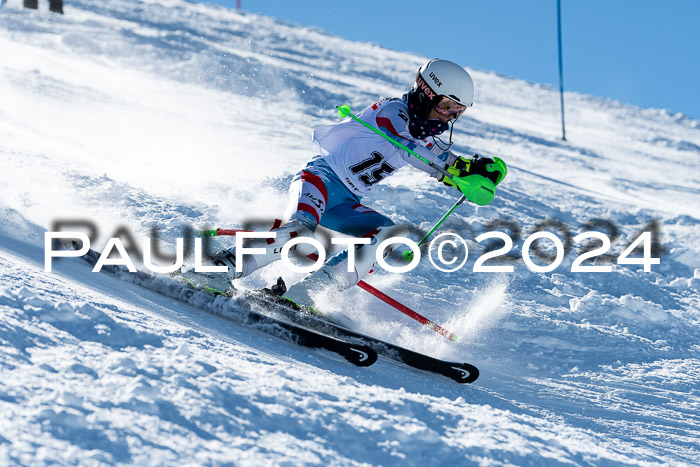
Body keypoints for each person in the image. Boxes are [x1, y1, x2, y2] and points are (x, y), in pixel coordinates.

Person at [191, 59, 506, 308]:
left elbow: (436, 154)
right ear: (426, 92)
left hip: (346, 202)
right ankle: (218, 269)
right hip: (321, 180)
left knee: (389, 234)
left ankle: (309, 295)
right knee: (299, 234)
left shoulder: (425, 136)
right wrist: (457, 170)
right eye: (447, 106)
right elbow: (413, 150)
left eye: (458, 111)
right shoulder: (392, 111)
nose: (449, 117)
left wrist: (478, 171)